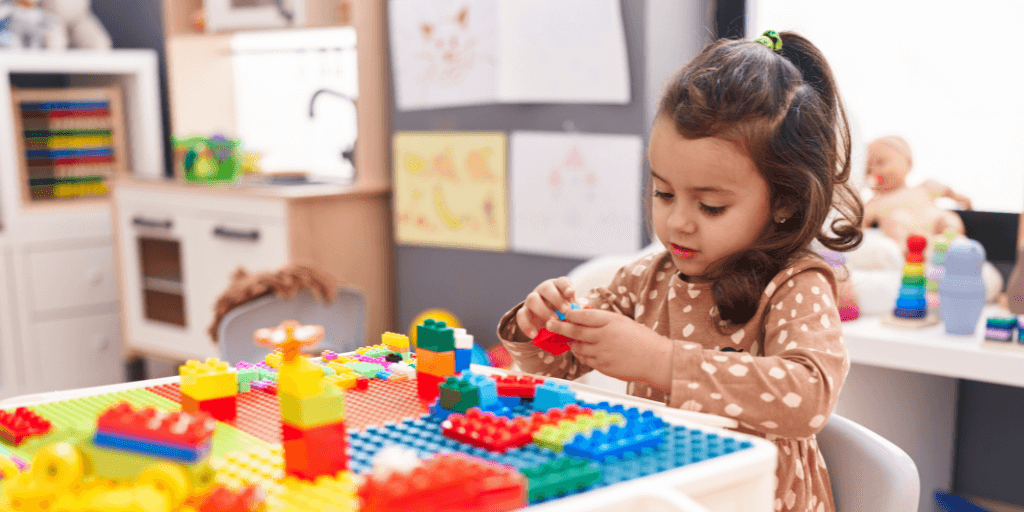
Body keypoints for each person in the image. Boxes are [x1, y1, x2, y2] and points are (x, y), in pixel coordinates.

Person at [497, 30, 863, 512]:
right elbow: (559, 366)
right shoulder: (647, 278)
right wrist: (543, 325)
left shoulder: (794, 284)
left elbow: (808, 395)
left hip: (755, 498)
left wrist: (662, 361)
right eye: (664, 194)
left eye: (710, 206)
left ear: (785, 201)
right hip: (666, 491)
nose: (678, 221)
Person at [862, 135, 972, 248]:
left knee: (948, 218)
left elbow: (948, 192)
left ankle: (954, 242)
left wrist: (961, 199)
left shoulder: (925, 187)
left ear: (908, 163)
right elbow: (861, 221)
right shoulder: (875, 202)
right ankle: (907, 249)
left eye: (881, 162)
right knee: (895, 221)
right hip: (908, 239)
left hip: (936, 227)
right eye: (868, 169)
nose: (876, 171)